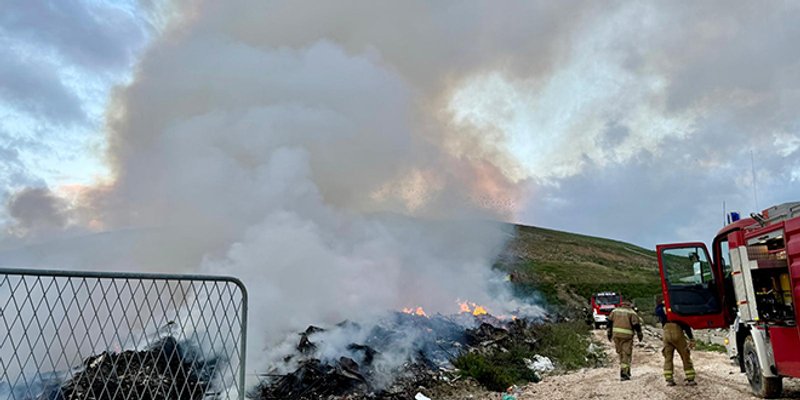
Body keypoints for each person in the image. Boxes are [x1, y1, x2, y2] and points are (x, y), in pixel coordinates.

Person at [655, 297, 697, 386]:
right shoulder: (678, 309)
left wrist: (662, 304)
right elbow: (686, 325)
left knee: (668, 357)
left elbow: (657, 311)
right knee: (685, 355)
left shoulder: (662, 309)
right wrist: (691, 338)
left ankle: (669, 379)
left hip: (666, 332)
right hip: (677, 331)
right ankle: (690, 378)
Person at [606, 300, 643, 381]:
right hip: (627, 336)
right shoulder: (631, 312)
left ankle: (626, 370)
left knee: (620, 353)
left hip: (616, 335)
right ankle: (624, 373)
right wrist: (640, 334)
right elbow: (636, 324)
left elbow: (609, 322)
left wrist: (609, 334)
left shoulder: (615, 311)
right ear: (629, 305)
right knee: (626, 353)